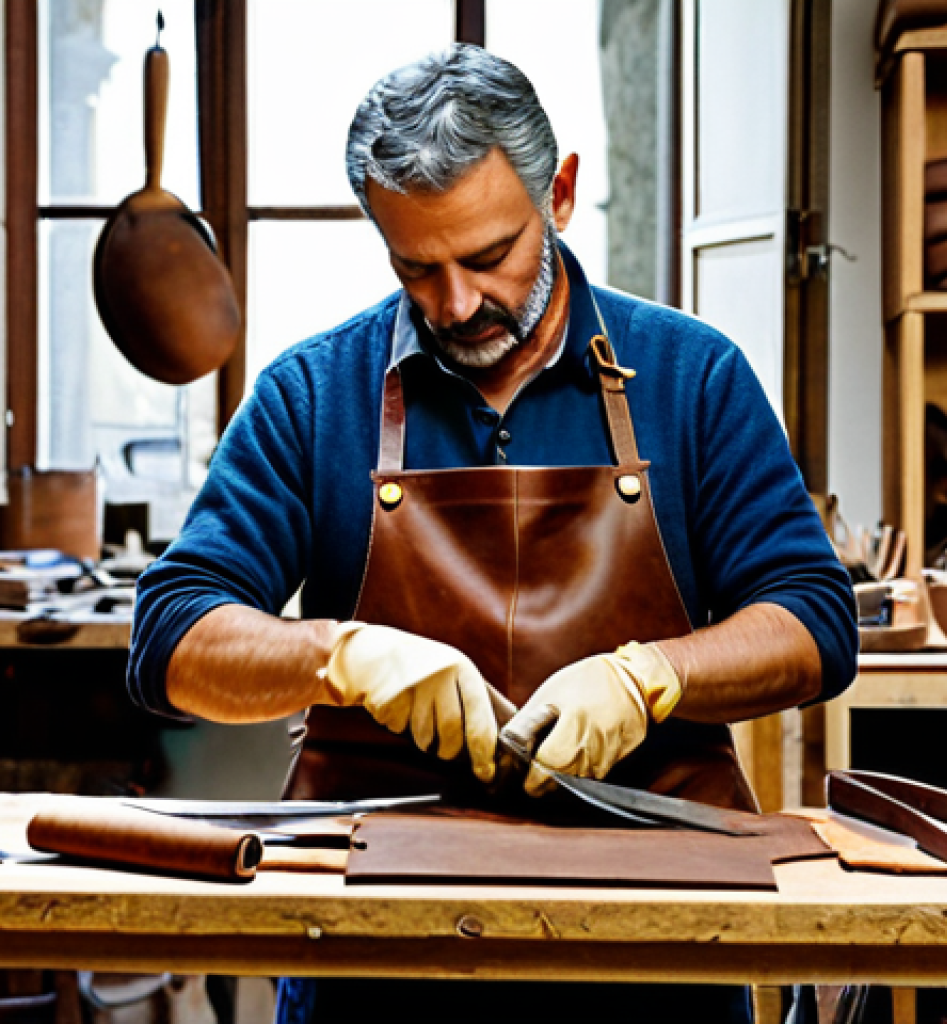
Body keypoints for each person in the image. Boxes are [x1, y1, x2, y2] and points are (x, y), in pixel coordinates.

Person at [128, 44, 858, 1024]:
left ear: (559, 191)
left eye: (487, 256)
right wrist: (340, 654)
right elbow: (171, 638)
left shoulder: (692, 376)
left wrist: (651, 678)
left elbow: (815, 623)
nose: (457, 305)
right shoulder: (315, 392)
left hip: (657, 935)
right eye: (415, 267)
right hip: (379, 949)